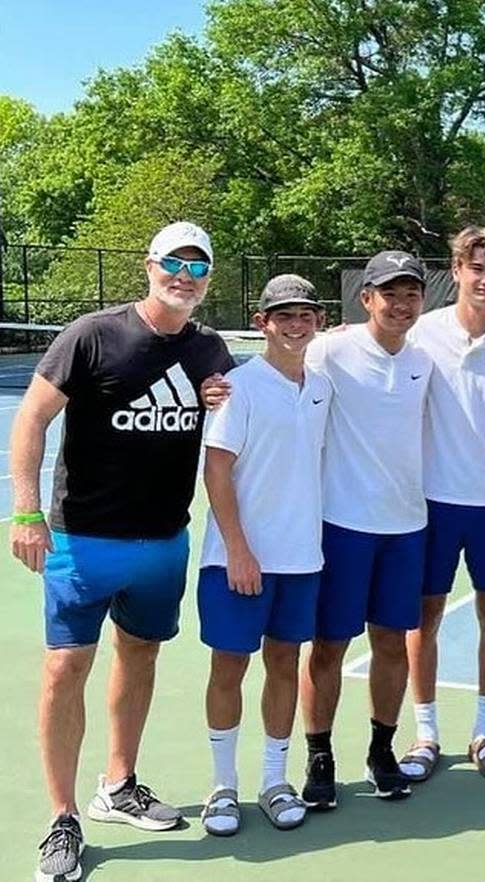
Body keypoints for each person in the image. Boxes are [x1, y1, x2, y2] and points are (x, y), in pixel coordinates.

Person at [10, 222, 235, 882]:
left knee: (140, 655)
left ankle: (119, 784)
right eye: (174, 263)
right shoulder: (93, 334)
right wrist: (25, 511)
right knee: (65, 669)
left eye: (197, 269)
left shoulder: (211, 350)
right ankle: (61, 818)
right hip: (83, 541)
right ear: (149, 265)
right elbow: (30, 419)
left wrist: (218, 397)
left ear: (207, 281)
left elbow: (232, 419)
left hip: (163, 544)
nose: (184, 276)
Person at [401, 227, 485, 782]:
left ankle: (484, 730)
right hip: (430, 504)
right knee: (424, 618)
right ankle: (425, 732)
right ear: (456, 270)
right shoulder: (420, 333)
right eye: (476, 269)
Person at [197, 275, 331, 836]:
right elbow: (217, 467)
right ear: (262, 324)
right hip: (237, 561)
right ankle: (222, 788)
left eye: (305, 315)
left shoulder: (323, 386)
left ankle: (273, 781)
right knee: (229, 667)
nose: (295, 326)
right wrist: (238, 550)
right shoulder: (238, 386)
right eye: (284, 316)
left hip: (301, 558)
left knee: (283, 664)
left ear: (317, 322)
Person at [299, 251, 433, 808]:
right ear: (367, 299)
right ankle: (319, 756)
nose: (401, 305)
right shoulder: (329, 349)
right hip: (343, 526)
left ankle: (382, 751)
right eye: (390, 294)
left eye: (411, 294)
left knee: (393, 646)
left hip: (407, 527)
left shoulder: (425, 360)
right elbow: (275, 372)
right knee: (329, 647)